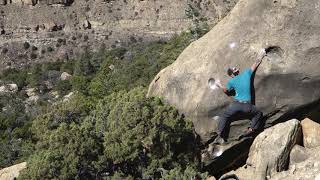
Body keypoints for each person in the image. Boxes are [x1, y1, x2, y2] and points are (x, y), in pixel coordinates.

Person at [214, 51, 266, 144]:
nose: (237, 68)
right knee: (258, 113)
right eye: (235, 68)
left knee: (225, 115)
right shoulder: (246, 73)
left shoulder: (231, 82)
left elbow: (226, 91)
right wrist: (262, 53)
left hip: (236, 105)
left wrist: (219, 85)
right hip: (247, 106)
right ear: (232, 73)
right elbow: (256, 63)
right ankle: (251, 129)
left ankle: (219, 132)